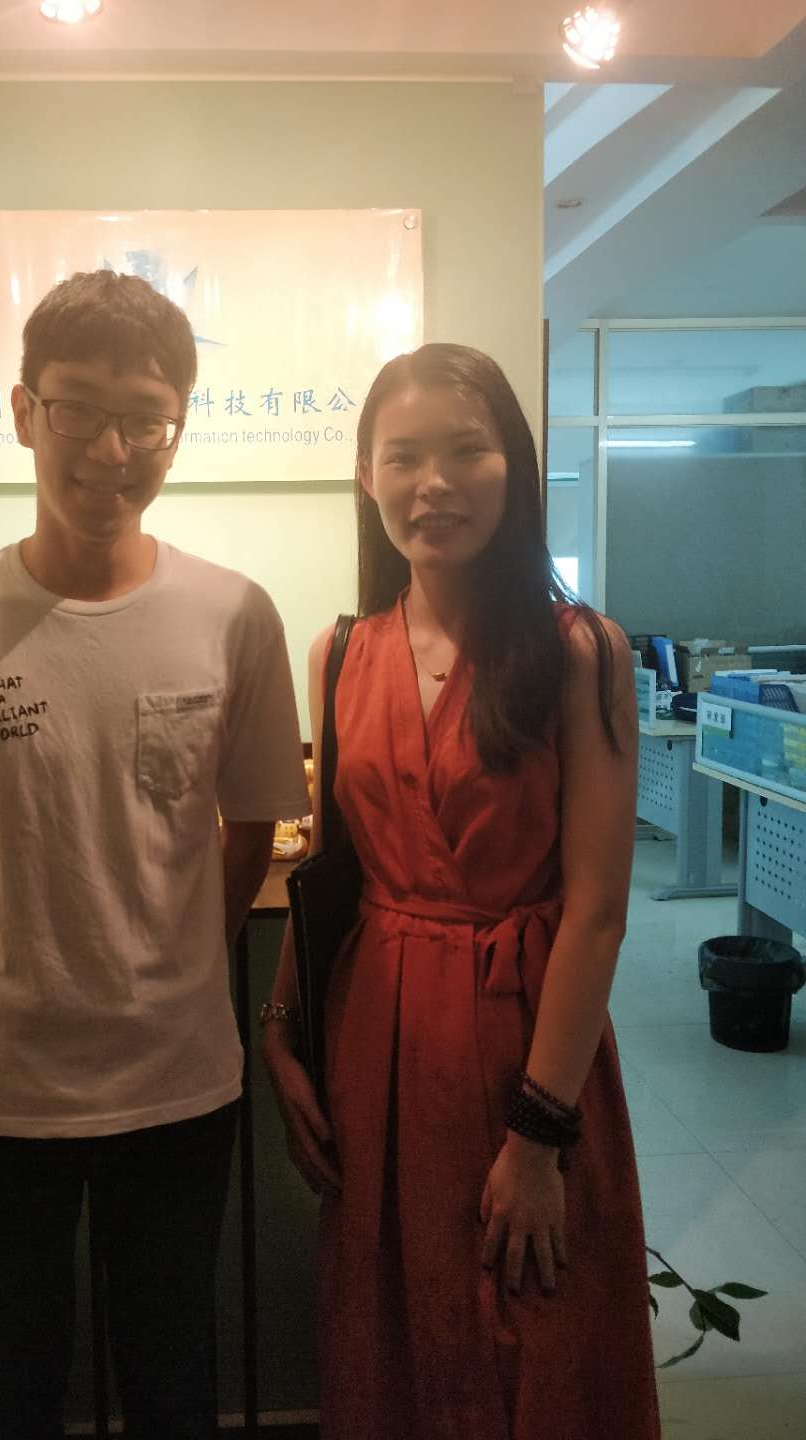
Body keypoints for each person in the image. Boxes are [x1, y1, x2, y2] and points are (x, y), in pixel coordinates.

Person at [0, 270, 309, 1440]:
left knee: (174, 1387)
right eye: (78, 409)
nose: (112, 450)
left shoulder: (234, 614)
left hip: (177, 1078)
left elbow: (253, 826)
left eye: (146, 419)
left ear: (180, 427)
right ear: (25, 411)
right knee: (13, 1395)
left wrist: (179, 964)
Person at [262, 343, 660, 1439]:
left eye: (465, 452)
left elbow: (599, 911)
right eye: (404, 457)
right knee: (394, 1319)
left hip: (529, 1038)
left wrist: (538, 1136)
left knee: (533, 1326)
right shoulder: (339, 651)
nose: (432, 483)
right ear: (366, 476)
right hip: (377, 1036)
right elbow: (332, 867)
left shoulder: (581, 652)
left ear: (513, 467)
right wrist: (282, 1029)